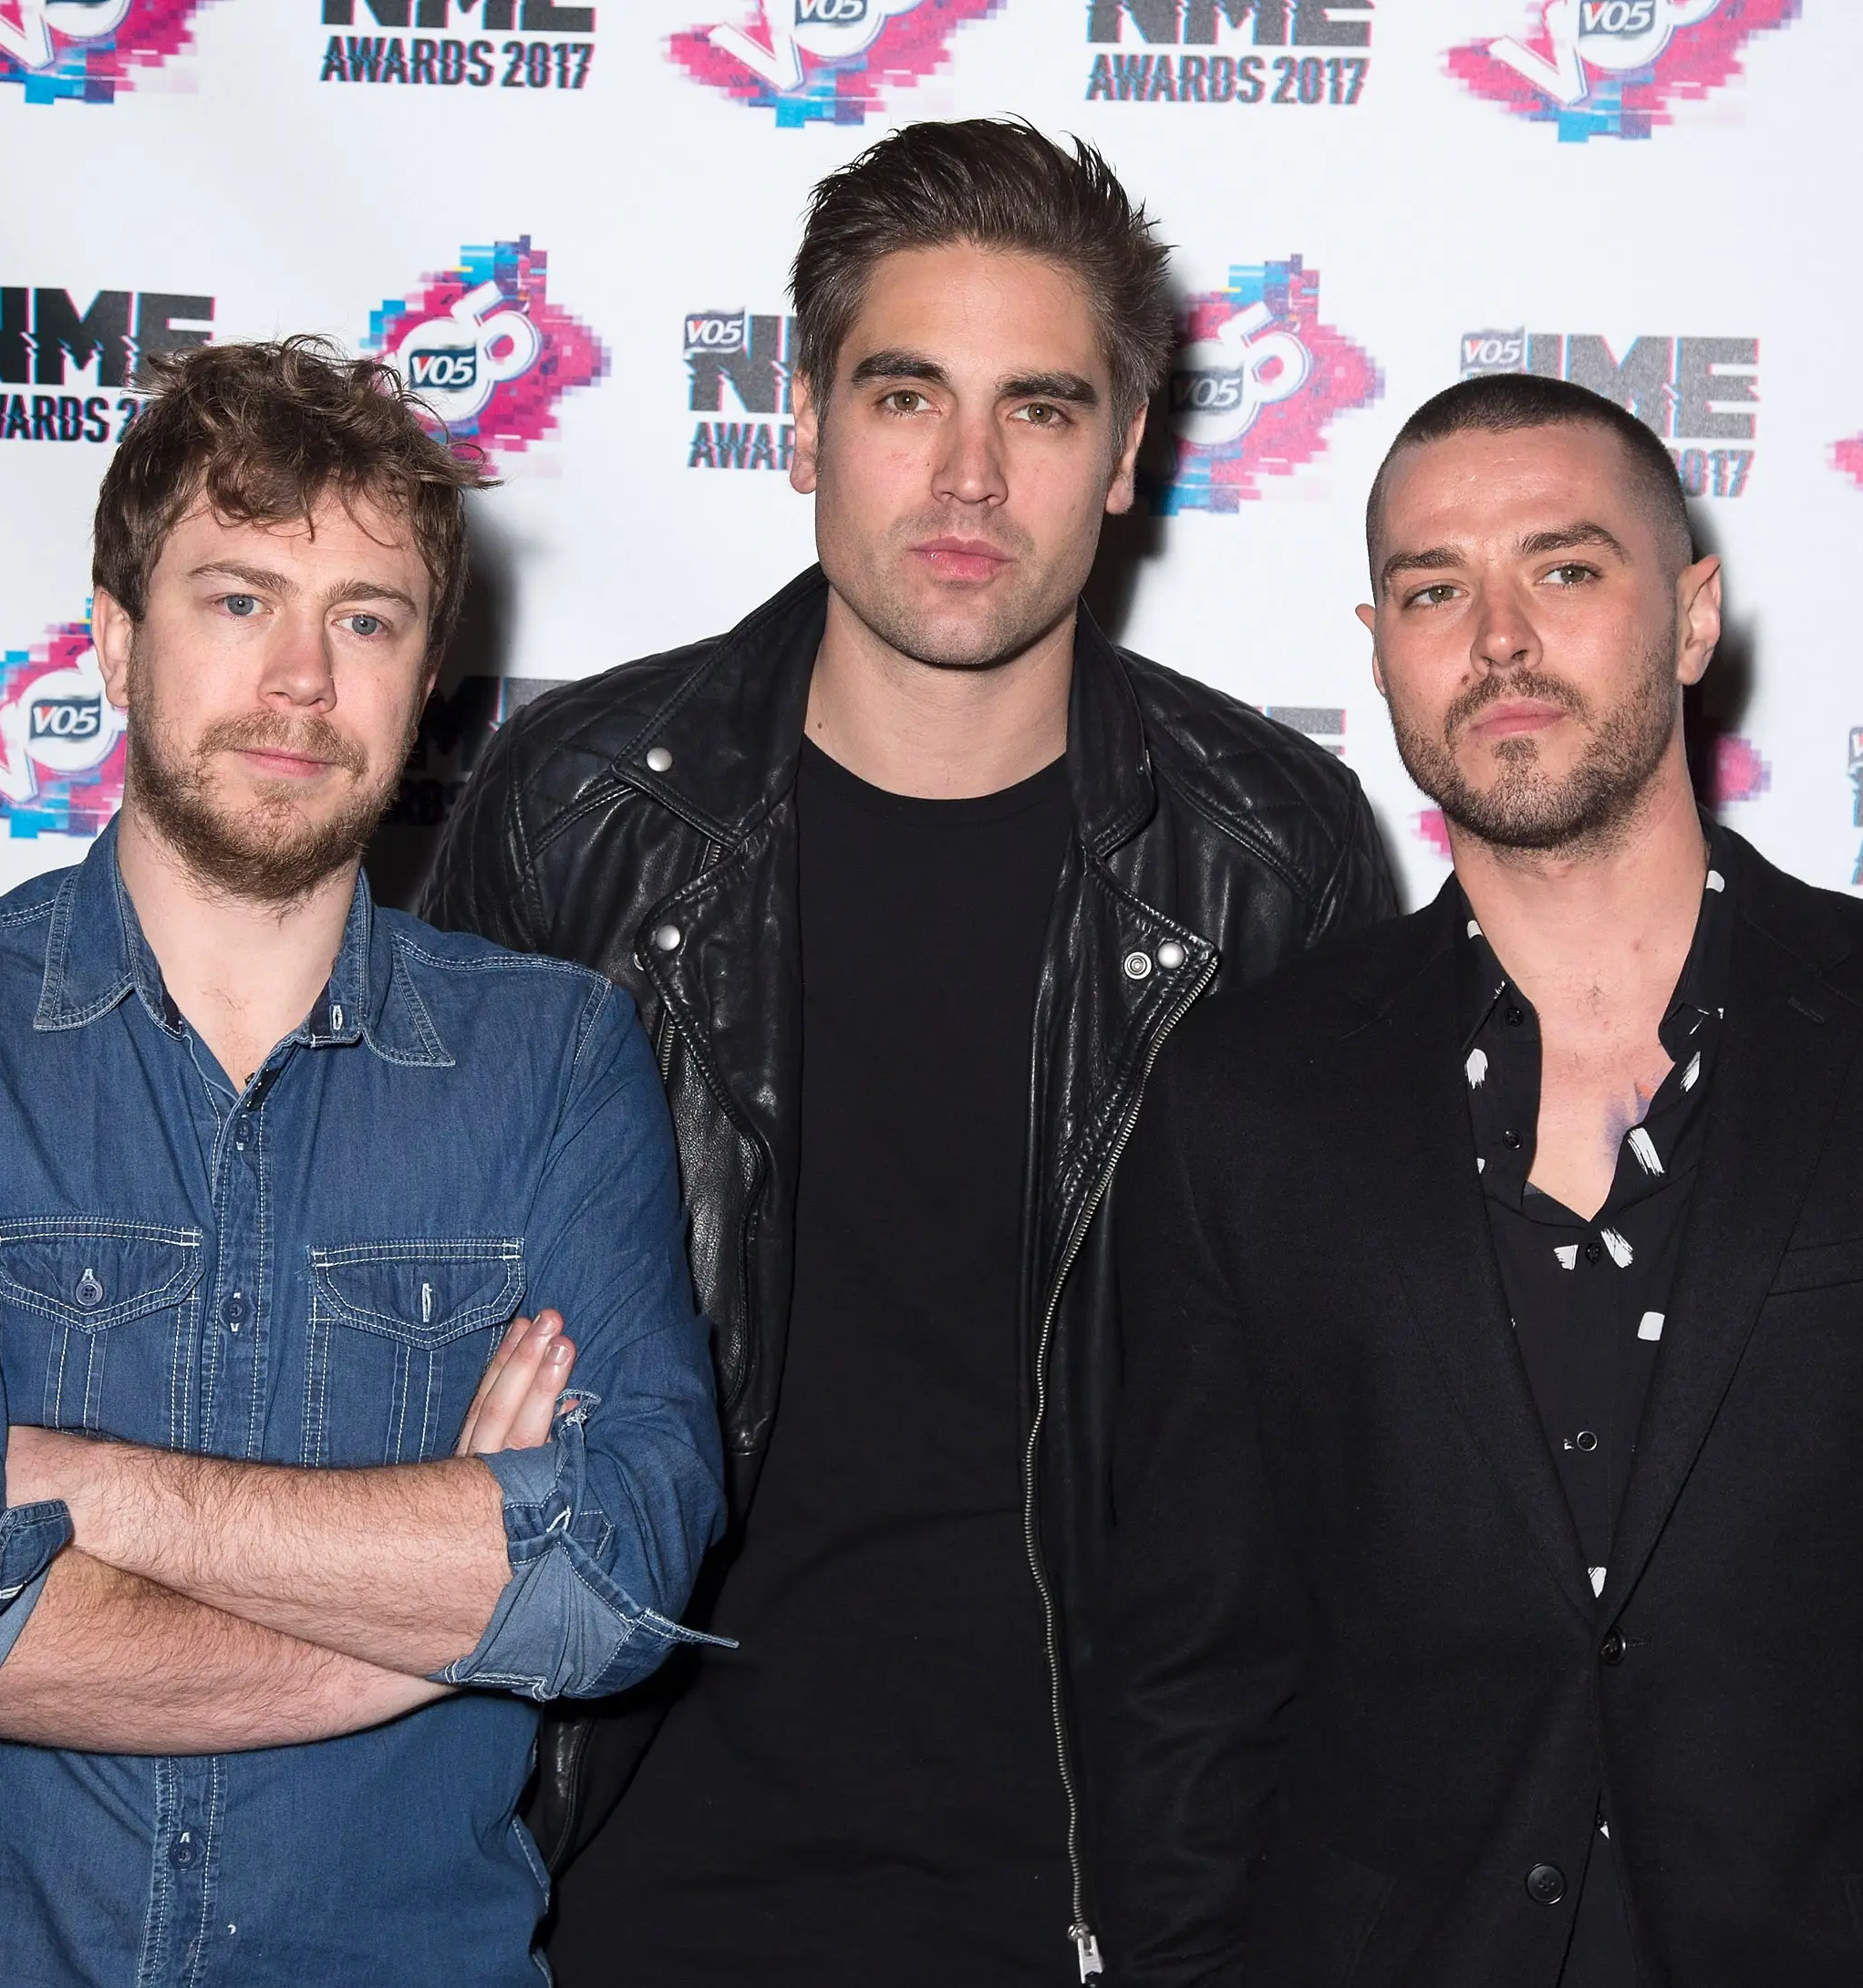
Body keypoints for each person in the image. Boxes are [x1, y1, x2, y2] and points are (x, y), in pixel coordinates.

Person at [422, 118, 1397, 1985]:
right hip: (623, 1875)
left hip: (1113, 1900)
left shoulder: (1270, 861)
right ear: (799, 421)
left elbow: (1359, 1446)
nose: (965, 475)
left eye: (1037, 408)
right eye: (903, 394)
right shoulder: (578, 818)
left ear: (1125, 453)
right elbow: (399, 1325)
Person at [1092, 373, 1863, 1986]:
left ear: (1692, 618)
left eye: (1564, 568)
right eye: (1432, 590)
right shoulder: (1245, 1100)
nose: (1497, 639)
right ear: (1380, 641)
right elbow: (1187, 1689)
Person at [0, 338, 725, 1988]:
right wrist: (448, 1608)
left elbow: (614, 1581)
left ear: (426, 683)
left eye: (367, 619)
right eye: (238, 599)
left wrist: (83, 1485)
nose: (302, 682)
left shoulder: (552, 1058)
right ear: (117, 642)